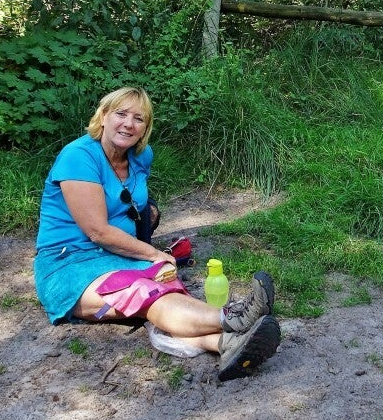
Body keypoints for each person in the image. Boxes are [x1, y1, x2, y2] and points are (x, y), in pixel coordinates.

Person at [33, 86, 281, 381]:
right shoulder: (78, 156)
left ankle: (225, 345)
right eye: (121, 114)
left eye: (139, 118)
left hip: (117, 256)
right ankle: (234, 316)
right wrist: (152, 253)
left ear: (145, 128)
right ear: (103, 116)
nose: (129, 124)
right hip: (69, 265)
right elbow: (97, 231)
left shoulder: (140, 156)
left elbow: (134, 202)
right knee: (143, 292)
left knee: (161, 290)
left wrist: (148, 226)